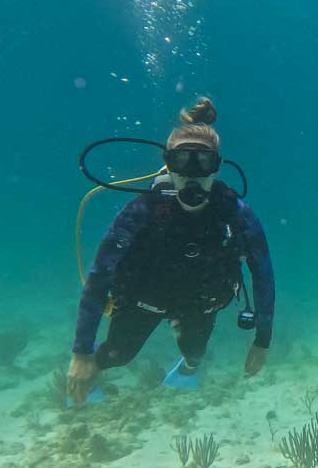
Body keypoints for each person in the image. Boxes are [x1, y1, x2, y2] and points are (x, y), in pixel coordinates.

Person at [67, 97, 275, 404]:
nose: (192, 173)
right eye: (181, 161)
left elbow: (263, 274)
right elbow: (100, 276)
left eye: (203, 162)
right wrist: (82, 353)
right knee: (116, 355)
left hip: (200, 304)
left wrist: (263, 341)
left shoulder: (234, 212)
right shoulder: (142, 210)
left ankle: (188, 365)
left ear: (216, 167)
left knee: (195, 354)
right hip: (143, 301)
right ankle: (92, 376)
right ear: (169, 164)